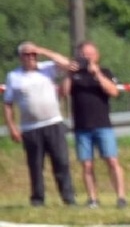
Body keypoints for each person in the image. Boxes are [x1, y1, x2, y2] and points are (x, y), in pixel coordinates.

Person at [4, 42, 76, 206]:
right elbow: (8, 104)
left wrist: (42, 50)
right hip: (30, 128)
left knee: (61, 162)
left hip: (53, 123)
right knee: (35, 166)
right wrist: (12, 127)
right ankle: (37, 199)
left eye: (33, 55)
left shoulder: (47, 68)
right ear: (20, 57)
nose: (31, 58)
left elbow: (68, 64)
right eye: (27, 55)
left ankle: (68, 198)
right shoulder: (13, 76)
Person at [66, 41, 128, 210]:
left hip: (103, 125)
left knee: (112, 160)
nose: (87, 58)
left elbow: (114, 92)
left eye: (90, 55)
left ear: (97, 55)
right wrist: (69, 75)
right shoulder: (74, 74)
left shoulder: (105, 72)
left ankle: (121, 197)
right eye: (84, 55)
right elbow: (63, 93)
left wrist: (97, 74)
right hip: (81, 126)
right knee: (87, 164)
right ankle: (92, 198)